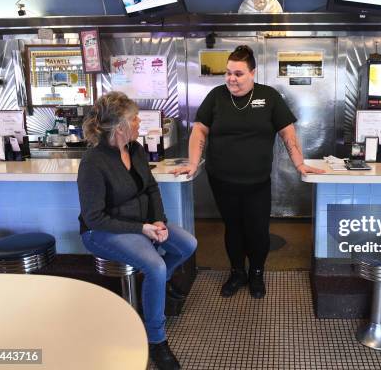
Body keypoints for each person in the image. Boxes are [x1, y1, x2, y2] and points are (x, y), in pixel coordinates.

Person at [173, 45, 323, 299]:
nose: (232, 78)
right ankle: (236, 272)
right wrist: (193, 162)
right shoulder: (216, 96)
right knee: (233, 228)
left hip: (257, 182)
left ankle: (256, 273)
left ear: (253, 73)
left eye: (239, 74)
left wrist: (299, 164)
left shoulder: (269, 97)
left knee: (257, 230)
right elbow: (199, 130)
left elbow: (288, 134)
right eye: (229, 73)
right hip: (222, 180)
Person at [77, 92, 196, 370]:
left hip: (143, 225)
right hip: (103, 232)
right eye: (134, 118)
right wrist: (141, 228)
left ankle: (156, 291)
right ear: (119, 127)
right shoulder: (93, 163)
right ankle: (156, 341)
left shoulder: (135, 150)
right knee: (154, 266)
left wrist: (159, 222)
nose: (140, 121)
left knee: (188, 245)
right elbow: (95, 219)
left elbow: (152, 188)